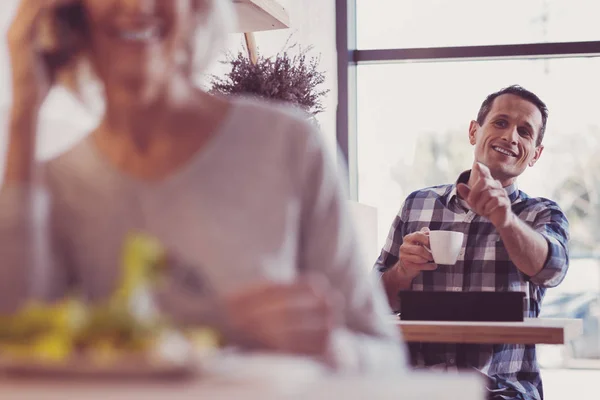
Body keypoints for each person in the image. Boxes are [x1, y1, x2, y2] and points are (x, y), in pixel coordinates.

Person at [0, 0, 406, 372]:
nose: (137, 5)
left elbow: (387, 358)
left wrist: (328, 347)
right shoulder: (52, 182)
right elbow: (16, 345)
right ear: (69, 12)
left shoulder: (289, 145)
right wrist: (24, 111)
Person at [375, 85, 569, 399]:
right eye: (501, 123)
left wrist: (505, 218)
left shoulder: (541, 213)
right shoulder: (417, 204)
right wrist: (401, 272)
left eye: (525, 131)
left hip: (503, 392)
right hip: (417, 389)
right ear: (473, 131)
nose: (510, 137)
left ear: (535, 153)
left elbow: (553, 270)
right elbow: (373, 301)